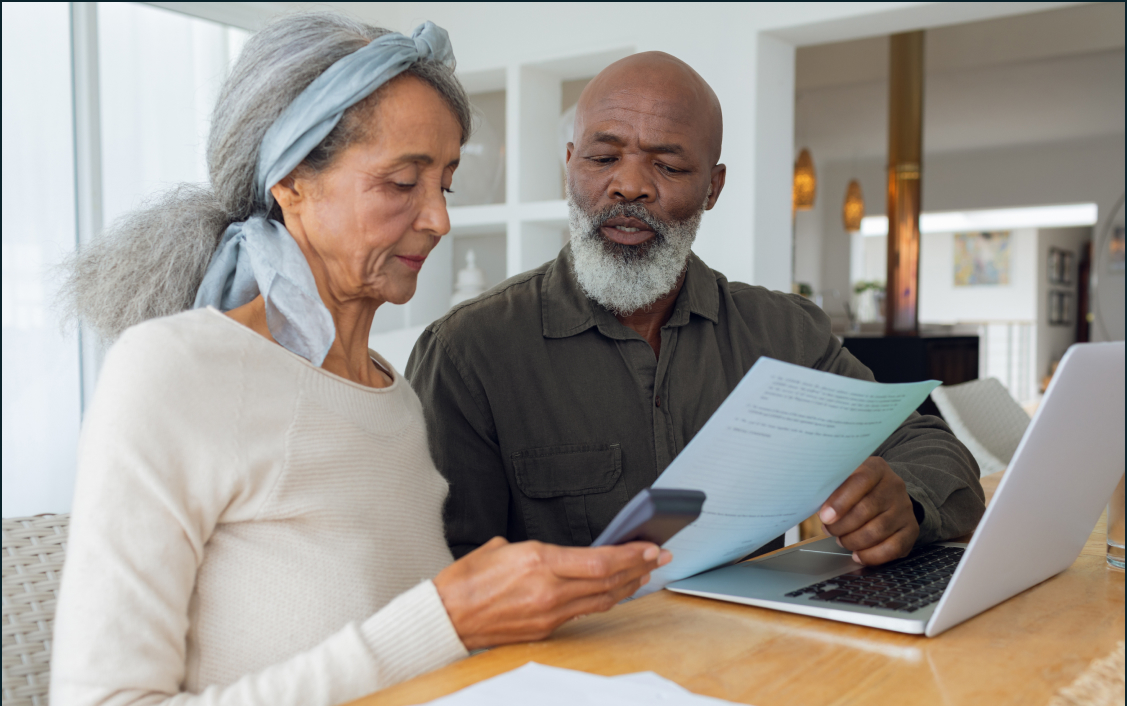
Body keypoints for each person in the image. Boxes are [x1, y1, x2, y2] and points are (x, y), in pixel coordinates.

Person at [47, 14, 667, 706]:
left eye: (444, 183)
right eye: (402, 183)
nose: (439, 219)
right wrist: (446, 619)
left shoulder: (392, 394)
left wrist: (523, 611)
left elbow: (412, 672)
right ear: (290, 181)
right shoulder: (173, 373)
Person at [407, 52, 985, 565]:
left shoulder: (783, 333)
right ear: (570, 164)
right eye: (603, 157)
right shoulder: (469, 352)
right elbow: (439, 576)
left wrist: (901, 498)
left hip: (758, 658)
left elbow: (936, 452)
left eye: (670, 166)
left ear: (713, 186)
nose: (628, 185)